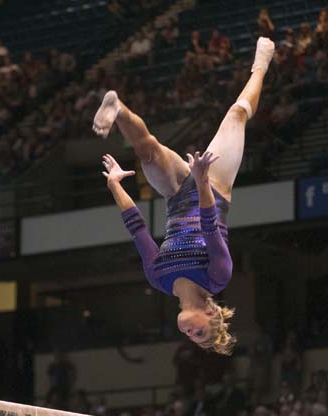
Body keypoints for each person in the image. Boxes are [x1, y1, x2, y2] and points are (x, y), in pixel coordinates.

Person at [92, 38, 276, 354]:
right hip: (214, 186)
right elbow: (209, 226)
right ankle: (261, 64)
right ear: (211, 313)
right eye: (201, 333)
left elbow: (137, 230)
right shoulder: (218, 277)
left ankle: (118, 108)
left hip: (175, 196)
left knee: (147, 152)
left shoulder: (159, 280)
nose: (191, 334)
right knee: (236, 114)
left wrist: (115, 186)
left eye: (192, 338)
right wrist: (203, 180)